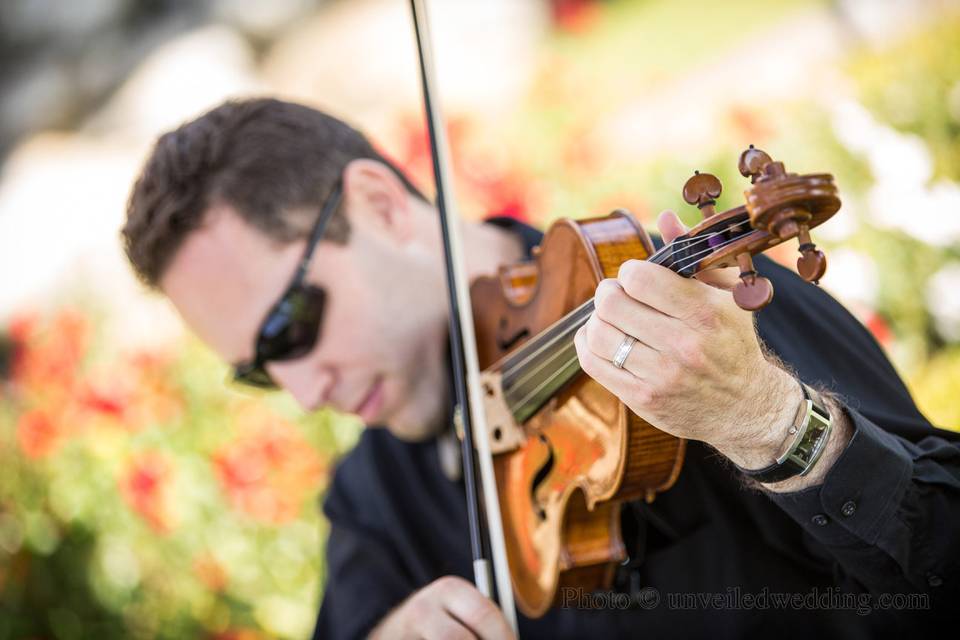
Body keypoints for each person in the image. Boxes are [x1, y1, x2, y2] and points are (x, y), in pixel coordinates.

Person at [122, 97, 959, 639]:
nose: (305, 394)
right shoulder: (378, 496)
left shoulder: (699, 315)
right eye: (260, 373)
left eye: (289, 327)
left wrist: (774, 425)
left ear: (379, 205)